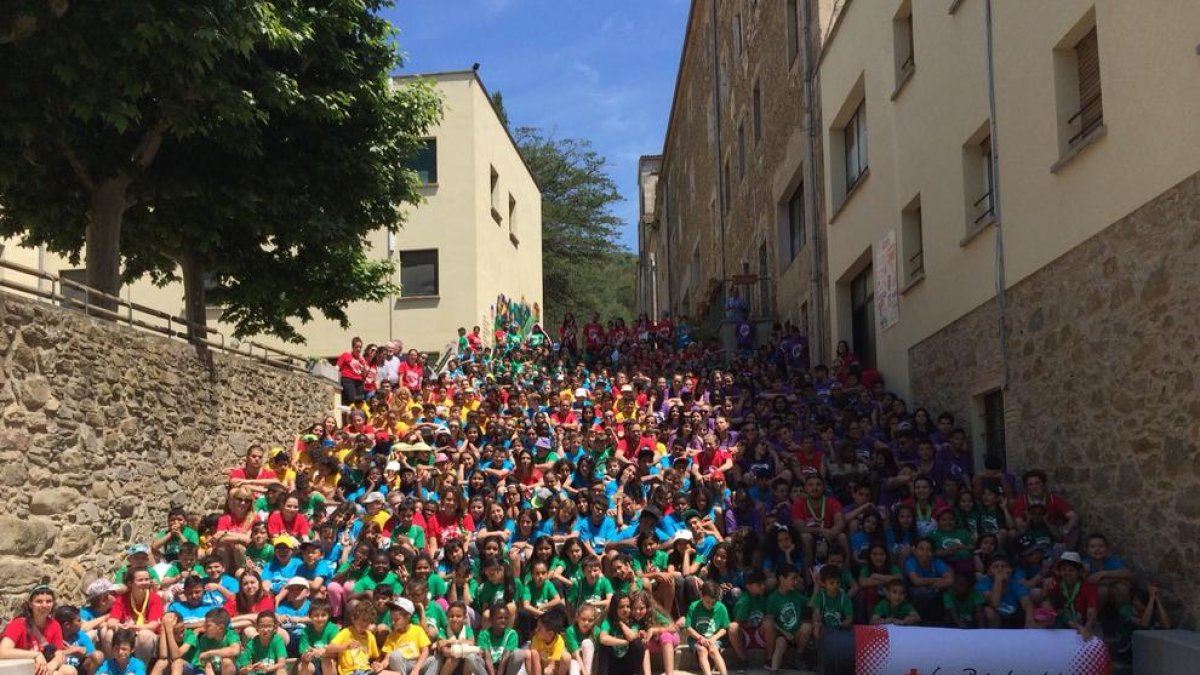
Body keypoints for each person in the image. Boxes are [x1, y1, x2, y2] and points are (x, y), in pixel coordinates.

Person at [0, 585, 76, 675]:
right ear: (30, 604)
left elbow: (59, 652)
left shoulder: (54, 625)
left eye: (48, 601)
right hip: (23, 668)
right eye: (39, 601)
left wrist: (54, 663)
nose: (44, 605)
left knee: (70, 671)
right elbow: (3, 651)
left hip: (42, 667)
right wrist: (36, 655)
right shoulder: (19, 624)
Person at [684, 582, 729, 675]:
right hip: (696, 638)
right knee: (702, 651)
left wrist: (714, 638)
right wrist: (699, 637)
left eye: (714, 602)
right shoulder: (694, 607)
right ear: (701, 595)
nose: (710, 605)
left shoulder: (721, 608)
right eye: (708, 602)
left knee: (713, 650)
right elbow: (688, 627)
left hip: (713, 638)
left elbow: (724, 628)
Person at [381, 598, 433, 675]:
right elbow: (387, 658)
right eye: (392, 619)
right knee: (395, 655)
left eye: (396, 619)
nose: (392, 622)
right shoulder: (392, 635)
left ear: (408, 617)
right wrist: (381, 665)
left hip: (416, 664)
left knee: (435, 658)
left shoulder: (417, 630)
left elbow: (425, 651)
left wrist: (416, 669)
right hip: (402, 667)